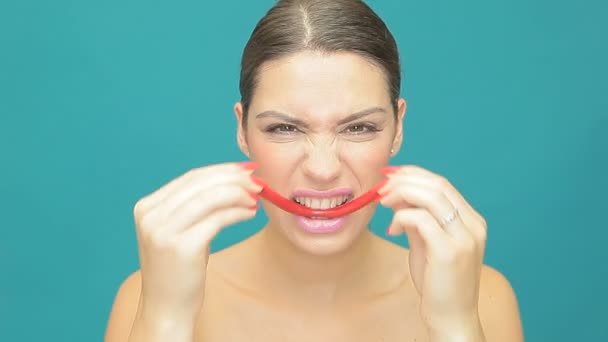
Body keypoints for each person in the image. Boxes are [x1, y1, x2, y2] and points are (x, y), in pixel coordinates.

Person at [104, 0, 524, 341]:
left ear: (398, 128)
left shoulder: (482, 297)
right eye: (284, 128)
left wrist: (454, 328)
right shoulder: (148, 295)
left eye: (359, 127)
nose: (323, 170)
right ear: (242, 130)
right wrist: (164, 322)